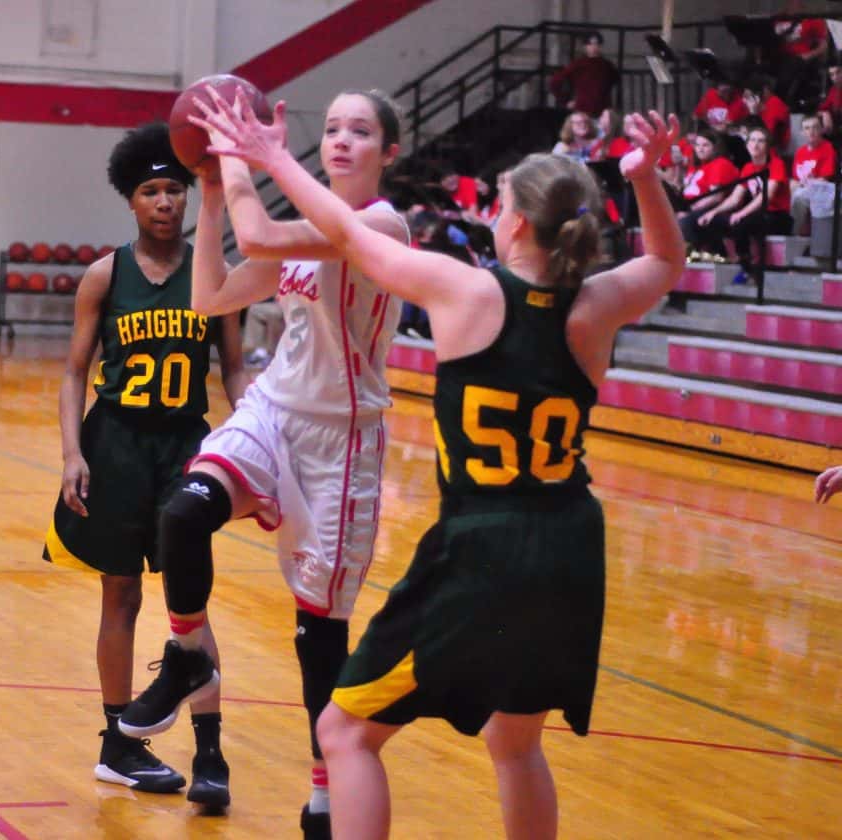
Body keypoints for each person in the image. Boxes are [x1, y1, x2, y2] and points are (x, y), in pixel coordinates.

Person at [191, 94, 684, 839]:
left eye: (501, 203)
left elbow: (346, 234)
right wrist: (645, 179)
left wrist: (270, 157)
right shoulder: (597, 304)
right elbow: (668, 261)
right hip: (572, 546)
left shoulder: (469, 291)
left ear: (516, 224)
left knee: (345, 732)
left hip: (485, 545)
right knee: (515, 743)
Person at [116, 88, 409, 840]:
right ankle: (187, 655)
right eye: (332, 126)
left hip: (342, 441)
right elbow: (211, 296)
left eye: (360, 130)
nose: (341, 139)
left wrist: (244, 158)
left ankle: (323, 797)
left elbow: (262, 232)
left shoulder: (379, 225)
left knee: (319, 637)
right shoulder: (300, 234)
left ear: (389, 152)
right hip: (275, 412)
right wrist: (213, 192)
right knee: (185, 512)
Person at [42, 121, 247, 807]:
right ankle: (118, 745)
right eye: (151, 191)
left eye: (175, 190)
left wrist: (257, 440)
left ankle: (210, 753)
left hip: (186, 445)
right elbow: (74, 371)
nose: (165, 202)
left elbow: (235, 368)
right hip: (117, 445)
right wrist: (72, 452)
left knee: (190, 600)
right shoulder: (106, 275)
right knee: (121, 593)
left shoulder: (212, 274)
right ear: (130, 201)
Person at [696, 126, 791, 281]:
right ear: (747, 145)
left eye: (761, 141)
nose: (755, 144)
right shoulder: (748, 168)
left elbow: (766, 197)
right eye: (752, 140)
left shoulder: (776, 164)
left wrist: (741, 213)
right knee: (713, 221)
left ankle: (748, 268)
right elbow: (735, 198)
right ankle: (723, 258)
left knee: (742, 223)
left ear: (767, 146)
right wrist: (713, 212)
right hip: (758, 214)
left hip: (777, 215)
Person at [678, 129, 741, 257]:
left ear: (715, 148)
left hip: (713, 210)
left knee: (686, 220)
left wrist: (689, 210)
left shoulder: (720, 164)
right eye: (697, 145)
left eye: (705, 145)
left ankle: (693, 255)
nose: (700, 149)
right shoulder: (696, 166)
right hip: (690, 206)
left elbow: (716, 197)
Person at [548, 30, 620, 117]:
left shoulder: (607, 65)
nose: (594, 47)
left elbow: (614, 81)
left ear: (601, 46)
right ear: (585, 47)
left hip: (602, 112)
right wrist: (566, 100)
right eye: (590, 44)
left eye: (597, 44)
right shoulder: (578, 64)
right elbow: (555, 82)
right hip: (583, 111)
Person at [790, 114, 838, 236]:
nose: (811, 131)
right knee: (790, 188)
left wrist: (805, 185)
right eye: (807, 128)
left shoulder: (828, 148)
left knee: (798, 197)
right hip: (803, 189)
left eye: (815, 127)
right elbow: (796, 179)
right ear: (801, 132)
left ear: (822, 130)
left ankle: (793, 234)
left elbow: (825, 178)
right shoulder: (800, 152)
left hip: (822, 191)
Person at [817, 64, 842, 137]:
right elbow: (823, 107)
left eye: (838, 72)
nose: (835, 77)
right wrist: (825, 113)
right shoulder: (833, 89)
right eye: (832, 75)